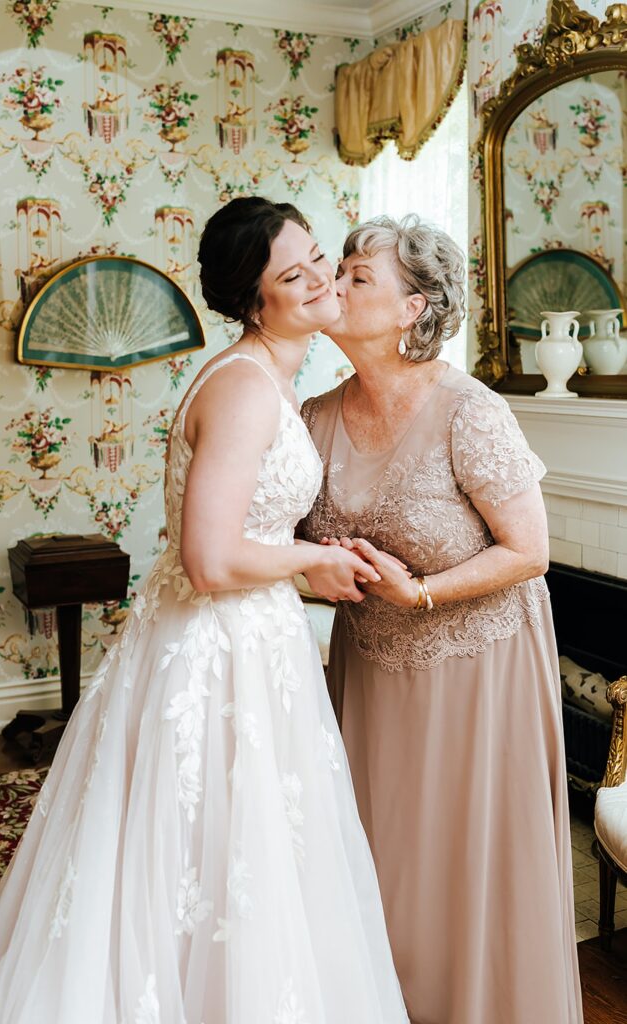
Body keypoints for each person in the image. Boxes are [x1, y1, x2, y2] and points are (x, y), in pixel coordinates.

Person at [0, 198, 409, 1024]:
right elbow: (207, 558)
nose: (320, 280)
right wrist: (315, 559)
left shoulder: (270, 377)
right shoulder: (243, 388)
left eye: (318, 257)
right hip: (217, 643)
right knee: (204, 840)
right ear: (252, 300)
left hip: (248, 632)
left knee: (243, 844)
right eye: (290, 274)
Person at [301, 214, 583, 1024]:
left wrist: (419, 593)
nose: (336, 284)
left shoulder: (471, 409)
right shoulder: (314, 417)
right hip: (370, 675)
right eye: (339, 270)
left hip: (477, 672)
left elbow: (529, 551)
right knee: (377, 860)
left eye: (358, 276)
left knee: (462, 868)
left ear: (413, 308)